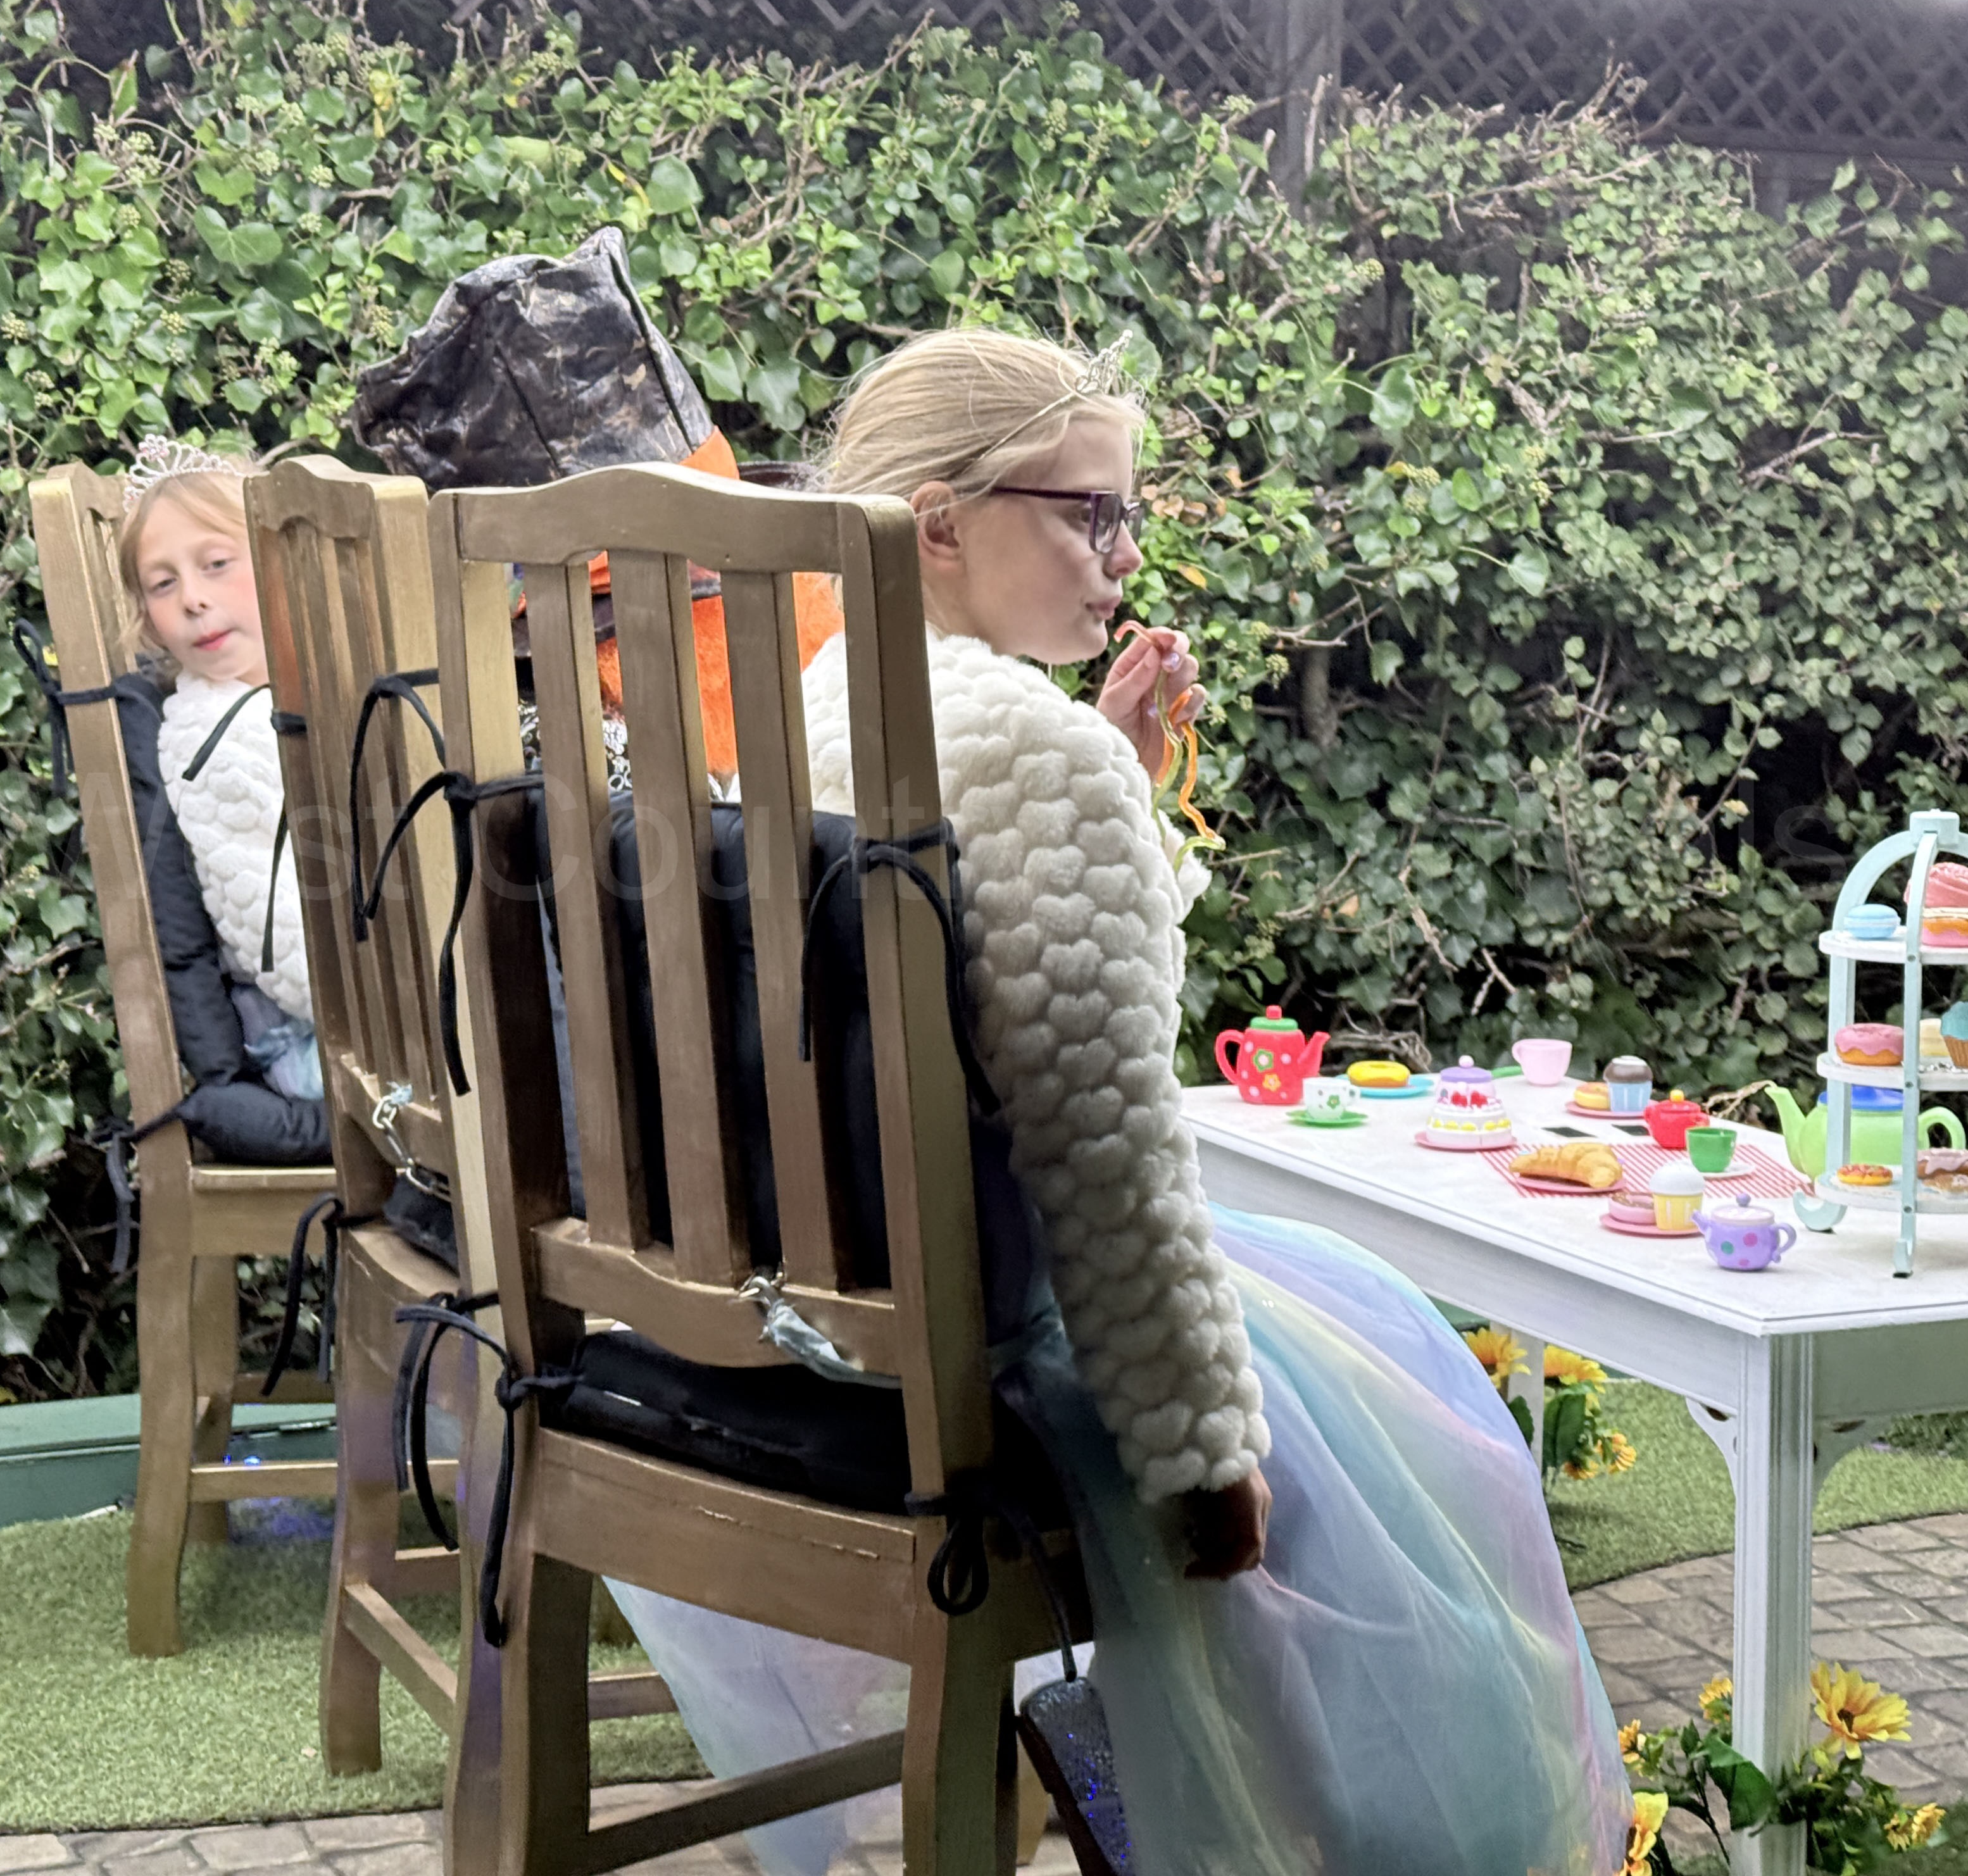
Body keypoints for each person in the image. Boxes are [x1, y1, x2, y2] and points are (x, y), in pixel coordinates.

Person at [606, 328, 1632, 1875]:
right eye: (1091, 512)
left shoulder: (819, 701)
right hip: (1000, 1340)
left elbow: (985, 1012)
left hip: (810, 1317)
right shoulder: (1037, 750)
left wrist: (1121, 791)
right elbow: (1107, 1146)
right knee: (1417, 1476)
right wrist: (1198, 1453)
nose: (1127, 555)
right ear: (940, 525)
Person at [115, 441, 322, 1101]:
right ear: (148, 619)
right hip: (321, 1037)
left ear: (276, 560)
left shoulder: (315, 685)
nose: (194, 599)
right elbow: (281, 951)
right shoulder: (212, 743)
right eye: (163, 584)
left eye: (216, 565)